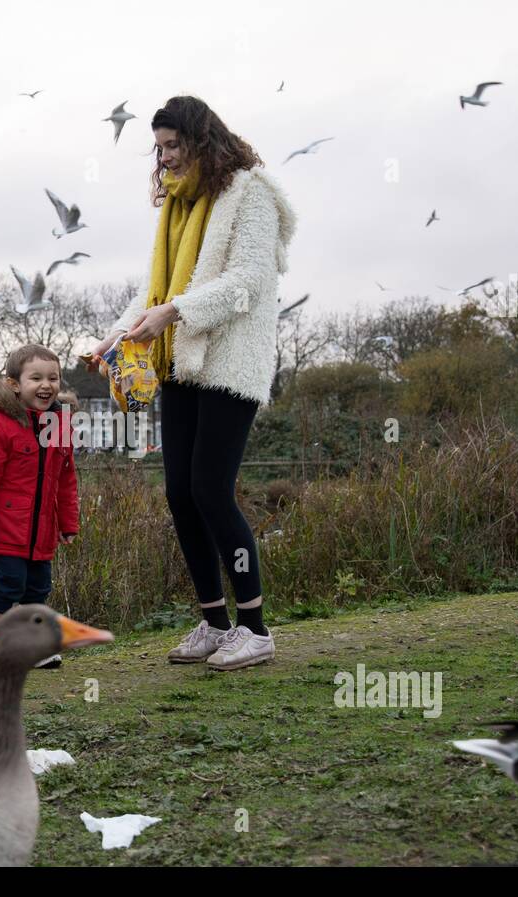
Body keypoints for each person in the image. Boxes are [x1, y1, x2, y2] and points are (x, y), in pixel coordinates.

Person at [85, 95, 298, 671]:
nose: (166, 157)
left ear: (203, 139)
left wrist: (173, 314)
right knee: (180, 493)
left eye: (174, 145)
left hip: (230, 363)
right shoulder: (179, 204)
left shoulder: (250, 193)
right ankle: (214, 622)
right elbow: (154, 290)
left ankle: (255, 630)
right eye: (158, 148)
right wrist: (116, 337)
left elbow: (248, 280)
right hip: (179, 363)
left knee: (210, 490)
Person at [0, 344, 80, 667]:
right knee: (11, 581)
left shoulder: (59, 424)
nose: (46, 385)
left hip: (41, 530)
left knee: (38, 586)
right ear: (14, 383)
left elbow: (66, 479)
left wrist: (68, 523)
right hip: (3, 527)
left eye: (53, 378)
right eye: (36, 378)